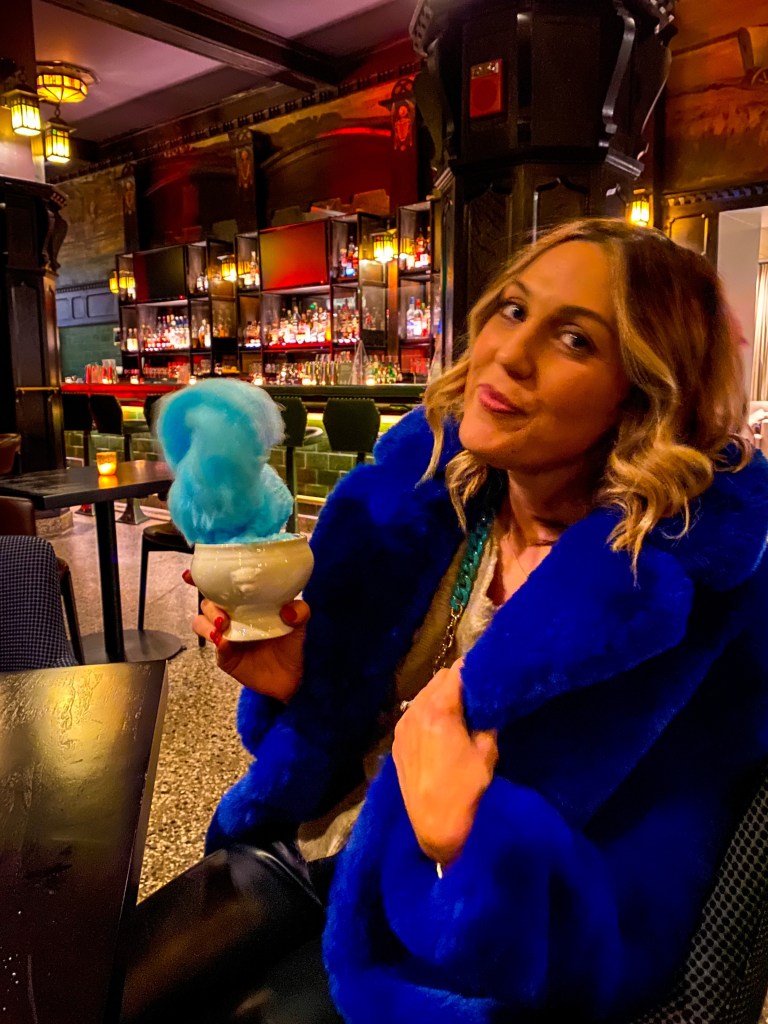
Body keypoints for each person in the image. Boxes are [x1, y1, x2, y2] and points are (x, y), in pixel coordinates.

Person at [124, 218, 768, 1024]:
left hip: (440, 956)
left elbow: (652, 917)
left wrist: (472, 838)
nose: (511, 353)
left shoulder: (687, 596)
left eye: (574, 340)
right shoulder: (420, 496)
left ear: (643, 393)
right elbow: (335, 735)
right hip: (306, 846)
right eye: (513, 310)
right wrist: (300, 684)